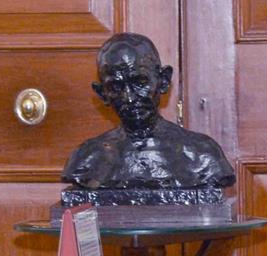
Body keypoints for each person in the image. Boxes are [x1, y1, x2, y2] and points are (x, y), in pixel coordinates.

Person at [62, 33, 234, 198]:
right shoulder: (87, 159)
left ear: (163, 81)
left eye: (139, 83)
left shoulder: (201, 156)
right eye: (116, 87)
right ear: (102, 93)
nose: (128, 98)